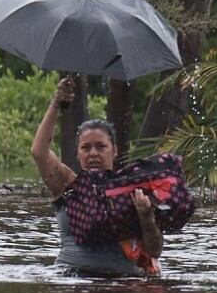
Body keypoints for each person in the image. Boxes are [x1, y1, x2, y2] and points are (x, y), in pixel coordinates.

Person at [31, 77, 164, 276]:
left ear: (115, 150)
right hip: (71, 277)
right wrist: (56, 103)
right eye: (86, 147)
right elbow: (39, 152)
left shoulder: (134, 192)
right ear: (78, 153)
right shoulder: (68, 185)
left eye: (101, 147)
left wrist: (146, 217)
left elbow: (154, 250)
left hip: (121, 284)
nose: (93, 153)